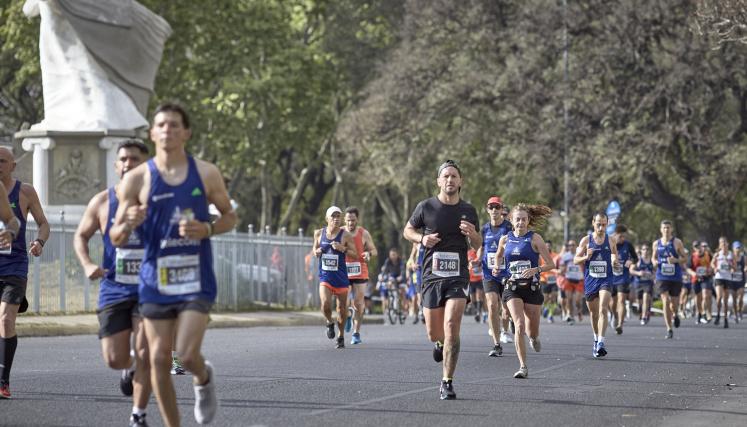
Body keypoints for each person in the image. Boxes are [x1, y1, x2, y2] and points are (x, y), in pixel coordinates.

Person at [110, 103, 237, 426]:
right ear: (153, 133)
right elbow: (115, 237)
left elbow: (230, 216)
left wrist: (207, 228)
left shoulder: (206, 173)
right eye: (162, 124)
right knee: (157, 358)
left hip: (196, 278)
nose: (168, 129)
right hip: (155, 280)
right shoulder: (137, 180)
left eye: (174, 124)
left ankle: (204, 378)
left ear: (186, 132)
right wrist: (128, 223)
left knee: (187, 354)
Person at [74, 140, 152, 425]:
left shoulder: (160, 201)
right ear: (117, 165)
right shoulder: (103, 201)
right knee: (114, 358)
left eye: (135, 159)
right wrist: (87, 264)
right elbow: (81, 235)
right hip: (115, 287)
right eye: (124, 159)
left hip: (152, 288)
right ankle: (128, 368)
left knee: (146, 352)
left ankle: (138, 414)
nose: (128, 163)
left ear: (146, 164)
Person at [403, 160, 480, 400]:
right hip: (432, 275)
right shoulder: (426, 207)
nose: (450, 180)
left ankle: (447, 381)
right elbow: (407, 230)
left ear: (460, 181)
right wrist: (421, 239)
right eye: (445, 176)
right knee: (434, 332)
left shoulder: (468, 210)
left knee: (451, 326)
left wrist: (473, 234)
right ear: (439, 181)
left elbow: (477, 245)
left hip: (458, 275)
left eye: (454, 176)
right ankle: (439, 344)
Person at [0, 147, 48, 400]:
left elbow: (43, 222)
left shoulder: (25, 191)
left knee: (6, 320)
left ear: (13, 165)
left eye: (2, 161)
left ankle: (3, 381)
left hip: (14, 264)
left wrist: (39, 242)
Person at [492, 204, 554, 378]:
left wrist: (536, 270)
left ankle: (534, 338)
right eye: (517, 219)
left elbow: (551, 264)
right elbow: (498, 256)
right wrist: (497, 267)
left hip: (532, 288)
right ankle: (523, 366)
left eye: (524, 219)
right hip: (512, 288)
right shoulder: (505, 239)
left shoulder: (535, 238)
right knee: (519, 325)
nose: (520, 222)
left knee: (531, 332)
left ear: (528, 221)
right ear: (511, 220)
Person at [574, 213, 620, 357]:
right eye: (598, 224)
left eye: (604, 224)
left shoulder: (611, 240)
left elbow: (614, 255)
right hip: (590, 281)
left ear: (607, 224)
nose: (601, 227)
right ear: (593, 223)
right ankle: (595, 338)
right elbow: (576, 260)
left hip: (606, 279)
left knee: (603, 309)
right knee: (594, 314)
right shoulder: (586, 240)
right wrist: (586, 257)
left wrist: (614, 261)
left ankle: (601, 342)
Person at [313, 206, 356, 348]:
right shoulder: (319, 233)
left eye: (338, 216)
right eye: (333, 216)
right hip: (325, 277)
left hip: (341, 278)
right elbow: (314, 249)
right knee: (325, 304)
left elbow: (355, 254)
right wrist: (317, 251)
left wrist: (342, 248)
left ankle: (341, 335)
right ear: (327, 218)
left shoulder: (346, 235)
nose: (336, 219)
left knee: (341, 309)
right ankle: (330, 322)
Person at [476, 196, 514, 356]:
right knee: (492, 305)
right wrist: (477, 259)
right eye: (491, 207)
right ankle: (497, 344)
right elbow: (480, 247)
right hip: (489, 272)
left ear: (501, 210)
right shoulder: (484, 229)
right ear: (487, 209)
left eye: (497, 207)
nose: (494, 210)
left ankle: (505, 329)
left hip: (507, 273)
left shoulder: (509, 227)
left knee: (506, 309)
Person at [342, 206, 377, 344]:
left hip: (360, 269)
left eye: (353, 220)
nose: (351, 223)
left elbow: (374, 250)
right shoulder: (340, 232)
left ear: (357, 220)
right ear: (345, 220)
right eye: (348, 220)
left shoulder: (363, 233)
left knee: (358, 303)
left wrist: (369, 253)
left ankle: (356, 333)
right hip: (343, 270)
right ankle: (348, 315)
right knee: (343, 303)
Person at [651, 220, 687, 339]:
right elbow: (653, 258)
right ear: (661, 230)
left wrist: (676, 260)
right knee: (665, 301)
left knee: (674, 304)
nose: (666, 230)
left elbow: (685, 258)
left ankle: (675, 314)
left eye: (668, 228)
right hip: (662, 276)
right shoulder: (656, 243)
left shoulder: (677, 242)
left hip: (675, 276)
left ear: (671, 229)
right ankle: (669, 328)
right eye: (664, 228)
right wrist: (655, 262)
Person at [610, 225, 638, 335]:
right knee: (612, 302)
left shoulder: (628, 245)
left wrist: (631, 262)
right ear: (615, 235)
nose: (622, 239)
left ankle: (620, 325)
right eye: (620, 236)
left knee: (621, 300)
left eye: (624, 236)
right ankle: (614, 315)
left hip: (623, 277)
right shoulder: (609, 243)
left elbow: (635, 258)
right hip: (611, 277)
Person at [711, 237, 734, 328]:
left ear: (727, 244)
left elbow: (734, 266)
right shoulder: (717, 254)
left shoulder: (731, 255)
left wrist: (731, 266)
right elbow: (712, 263)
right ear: (720, 245)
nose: (723, 244)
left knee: (725, 300)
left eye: (725, 242)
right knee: (719, 297)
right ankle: (717, 315)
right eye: (721, 243)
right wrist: (715, 268)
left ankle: (725, 319)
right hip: (719, 277)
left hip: (727, 278)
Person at [559, 240, 584, 324]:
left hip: (579, 280)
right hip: (568, 279)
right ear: (568, 247)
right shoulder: (565, 256)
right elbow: (561, 267)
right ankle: (571, 316)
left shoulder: (581, 255)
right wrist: (562, 269)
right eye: (570, 245)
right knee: (569, 299)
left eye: (573, 245)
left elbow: (585, 265)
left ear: (576, 246)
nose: (571, 247)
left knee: (577, 300)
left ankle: (579, 310)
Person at [687, 241, 712, 324]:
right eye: (695, 247)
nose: (698, 248)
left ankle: (704, 313)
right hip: (696, 279)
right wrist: (693, 273)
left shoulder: (708, 255)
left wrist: (711, 269)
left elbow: (713, 264)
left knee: (705, 295)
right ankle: (699, 314)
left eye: (699, 246)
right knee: (698, 298)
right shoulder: (692, 256)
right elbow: (688, 268)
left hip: (706, 278)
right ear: (694, 248)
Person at [378, 248, 406, 319]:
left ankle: (403, 310)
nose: (392, 256)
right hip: (392, 276)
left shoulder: (400, 261)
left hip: (400, 277)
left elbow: (403, 270)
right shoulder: (388, 261)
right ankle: (391, 302)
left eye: (394, 255)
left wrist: (401, 277)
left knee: (402, 292)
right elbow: (385, 270)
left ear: (397, 255)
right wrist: (382, 277)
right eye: (391, 255)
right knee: (390, 284)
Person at [630, 244, 655, 325]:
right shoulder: (638, 260)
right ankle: (642, 311)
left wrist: (653, 276)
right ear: (641, 251)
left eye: (647, 249)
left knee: (646, 298)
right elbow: (631, 270)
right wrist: (639, 273)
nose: (646, 251)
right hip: (638, 283)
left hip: (648, 283)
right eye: (644, 249)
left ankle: (644, 316)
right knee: (639, 302)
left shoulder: (652, 260)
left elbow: (656, 271)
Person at [539, 240, 560, 324]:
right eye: (546, 246)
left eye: (549, 246)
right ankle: (546, 308)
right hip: (544, 280)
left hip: (554, 280)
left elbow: (558, 266)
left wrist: (558, 271)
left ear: (551, 246)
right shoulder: (540, 256)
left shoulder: (555, 256)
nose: (547, 247)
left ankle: (550, 315)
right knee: (546, 298)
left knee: (553, 297)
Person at [467, 248, 485, 323]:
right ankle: (476, 310)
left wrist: (481, 267)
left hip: (479, 278)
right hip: (471, 279)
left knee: (479, 296)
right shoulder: (469, 252)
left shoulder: (481, 252)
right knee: (472, 298)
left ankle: (478, 312)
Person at [732, 241, 745, 321]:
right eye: (737, 248)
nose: (738, 249)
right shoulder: (731, 258)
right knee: (734, 299)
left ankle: (739, 311)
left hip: (741, 280)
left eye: (739, 248)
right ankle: (735, 314)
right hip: (732, 280)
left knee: (740, 298)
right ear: (733, 249)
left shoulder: (744, 257)